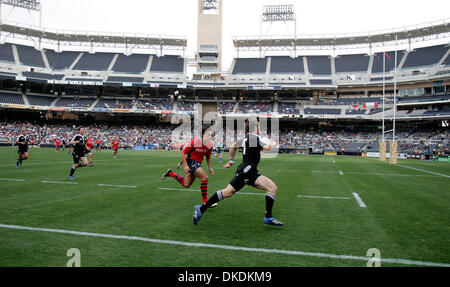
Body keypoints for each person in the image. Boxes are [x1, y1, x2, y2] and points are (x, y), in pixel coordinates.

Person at [192, 120, 283, 226]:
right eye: (259, 126)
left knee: (272, 188)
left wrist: (231, 160)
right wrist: (273, 142)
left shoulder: (245, 138)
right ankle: (201, 209)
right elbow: (267, 148)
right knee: (228, 192)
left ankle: (268, 217)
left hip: (251, 171)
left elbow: (233, 146)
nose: (260, 129)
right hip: (246, 172)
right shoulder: (254, 138)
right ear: (255, 127)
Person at [162, 129, 216, 206]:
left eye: (211, 135)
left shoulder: (210, 145)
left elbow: (208, 157)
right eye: (208, 135)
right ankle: (206, 201)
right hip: (191, 162)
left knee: (186, 184)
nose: (210, 136)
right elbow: (183, 153)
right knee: (204, 177)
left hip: (197, 163)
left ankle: (171, 173)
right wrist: (186, 166)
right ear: (203, 135)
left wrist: (210, 168)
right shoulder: (196, 141)